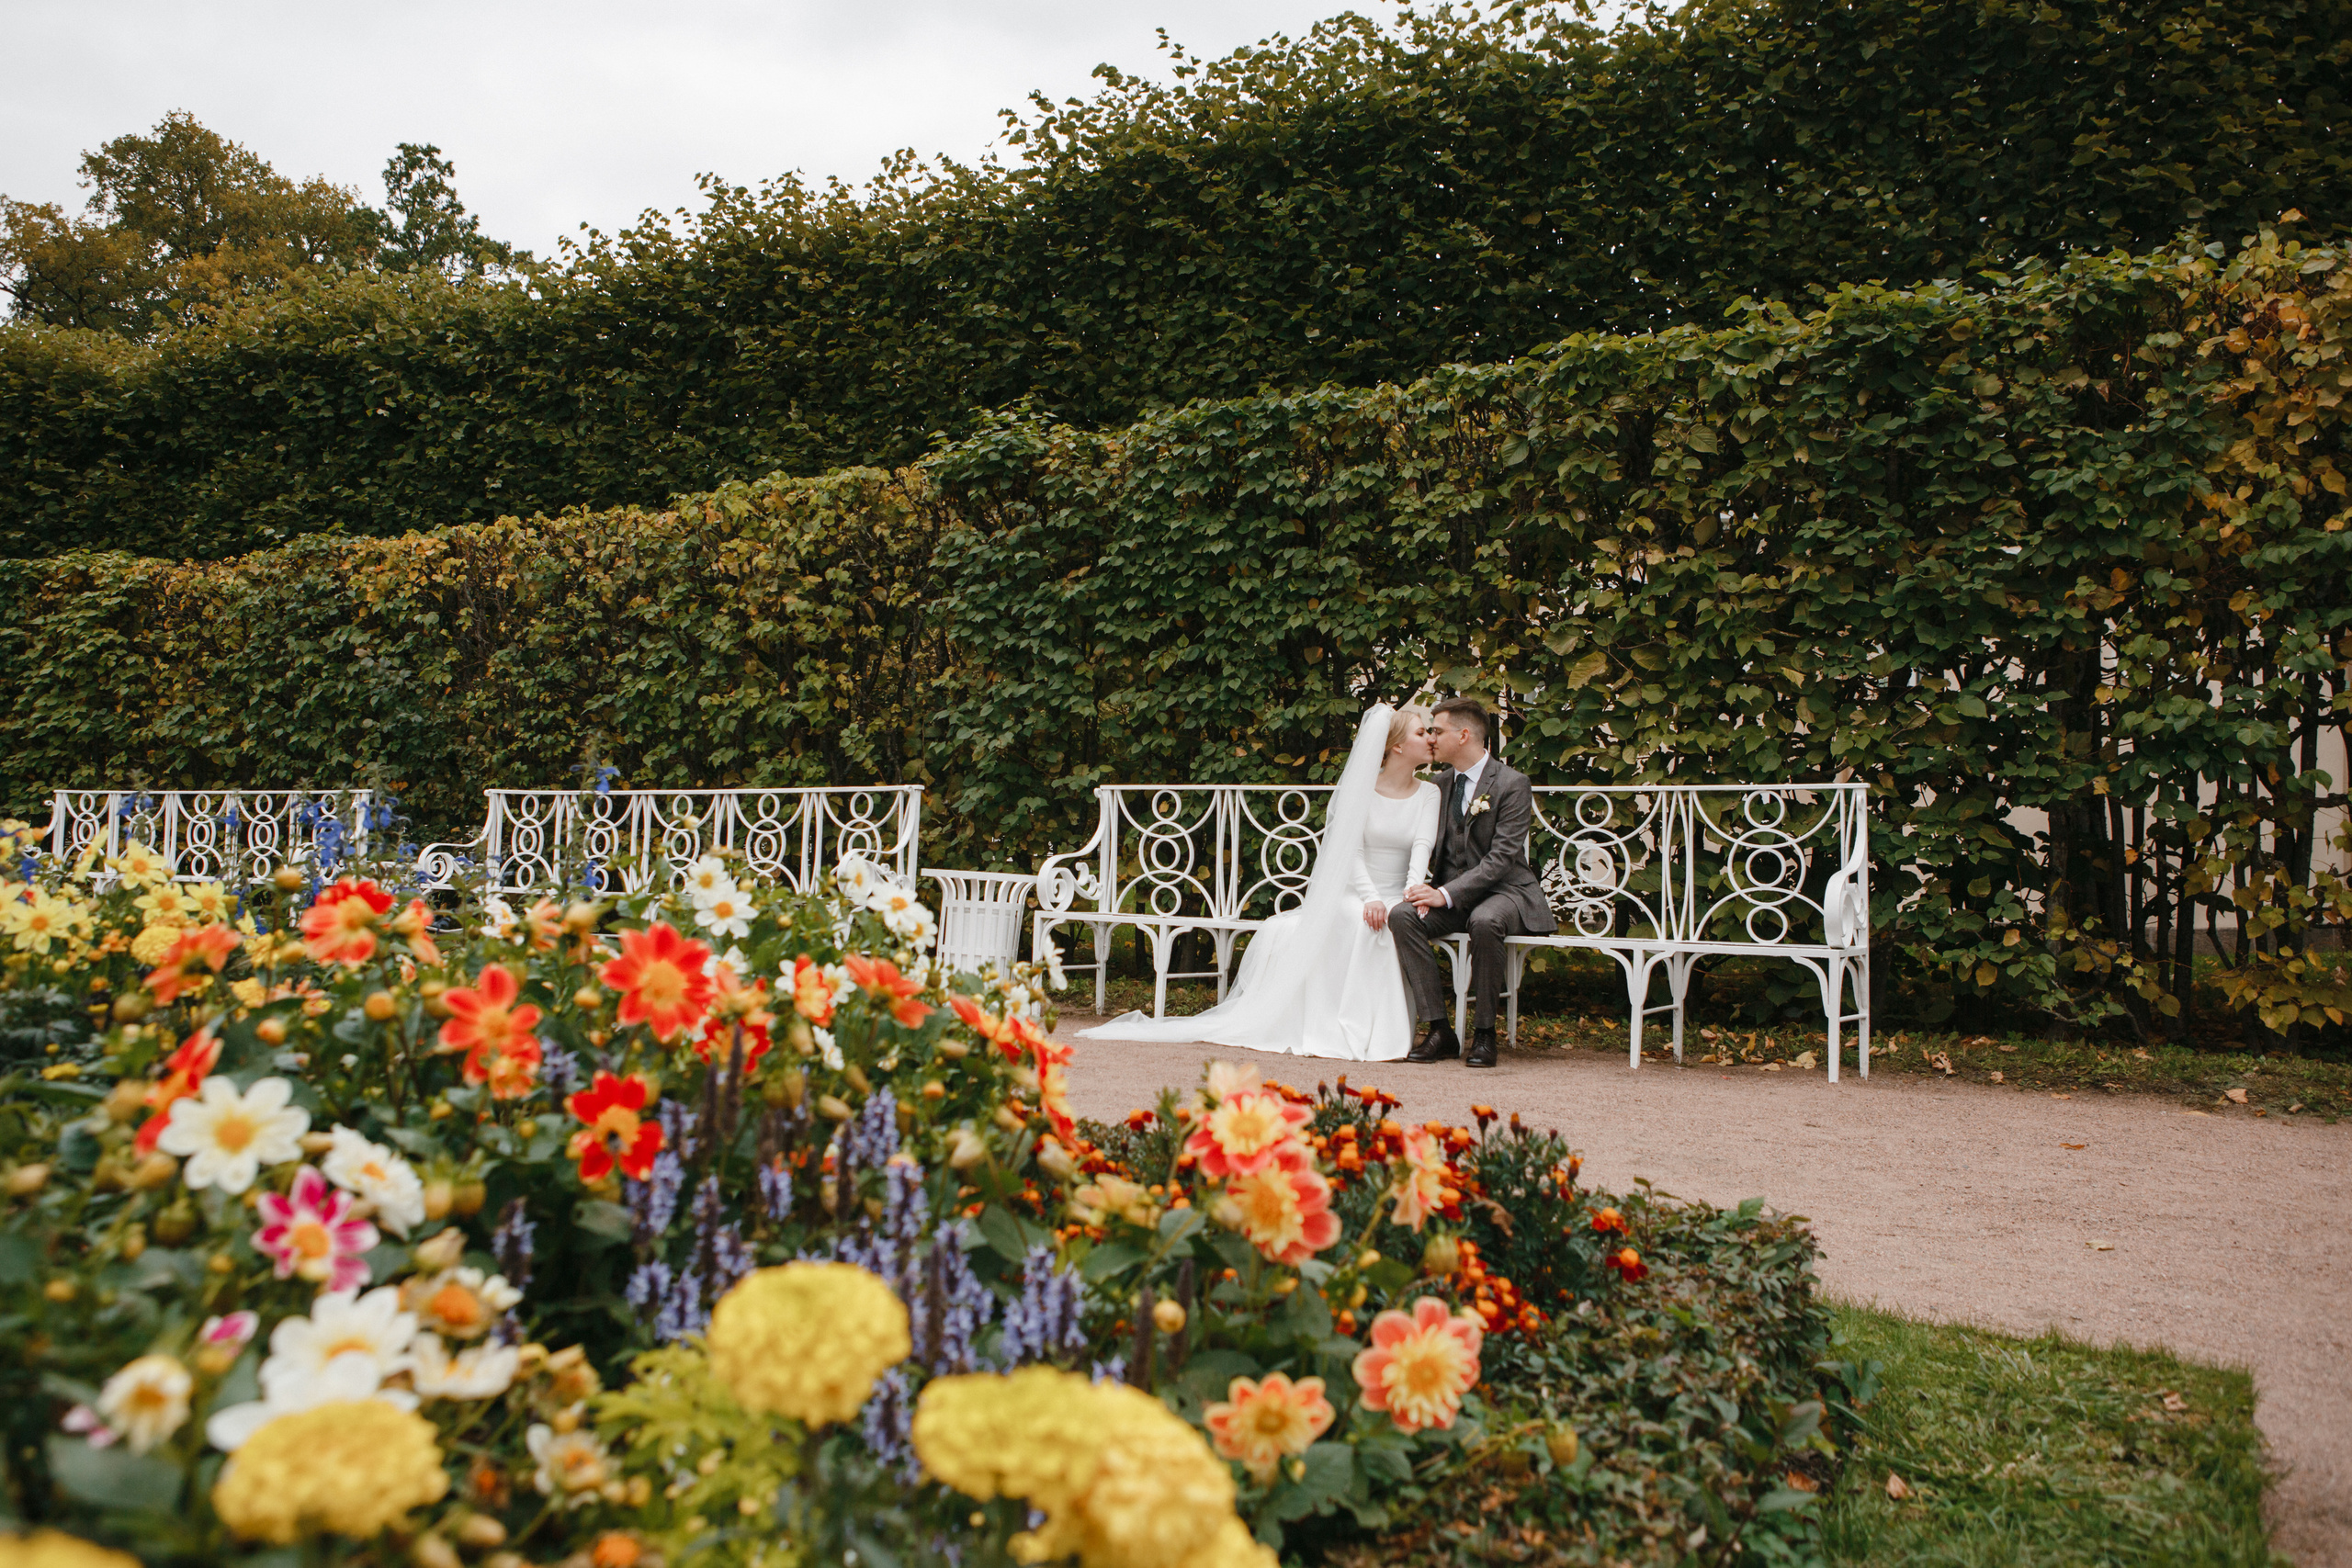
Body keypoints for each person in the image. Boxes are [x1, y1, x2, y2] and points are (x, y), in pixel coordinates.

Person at [1076, 704, 1440, 1060]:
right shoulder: (1362, 790)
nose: (1430, 739)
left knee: (1391, 921)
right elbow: (1352, 853)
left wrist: (1411, 893)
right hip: (1358, 890)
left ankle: (1382, 1034)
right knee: (1360, 921)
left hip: (1399, 892)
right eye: (1422, 732)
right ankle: (1342, 1028)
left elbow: (1422, 846)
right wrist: (1371, 898)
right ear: (1396, 746)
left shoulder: (1429, 793)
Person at [1386, 696, 1556, 1068]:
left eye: (1437, 730)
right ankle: (1439, 1030)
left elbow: (1501, 859)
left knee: (1485, 920)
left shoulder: (1513, 783)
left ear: (1463, 735)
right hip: (1453, 896)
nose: (1431, 737)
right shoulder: (1439, 785)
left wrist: (1443, 894)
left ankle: (1484, 1035)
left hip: (1505, 892)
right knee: (1402, 916)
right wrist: (1418, 890)